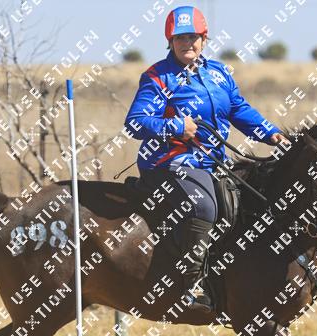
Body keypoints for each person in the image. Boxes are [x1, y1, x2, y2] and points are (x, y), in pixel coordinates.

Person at [124, 5, 289, 314]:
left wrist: (272, 134)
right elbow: (135, 122)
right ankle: (188, 286)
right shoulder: (158, 77)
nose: (187, 43)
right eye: (180, 38)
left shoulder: (219, 72)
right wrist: (175, 127)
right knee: (204, 206)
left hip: (211, 164)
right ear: (170, 41)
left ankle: (228, 280)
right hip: (169, 165)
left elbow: (238, 109)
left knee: (247, 201)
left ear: (204, 39)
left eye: (193, 37)